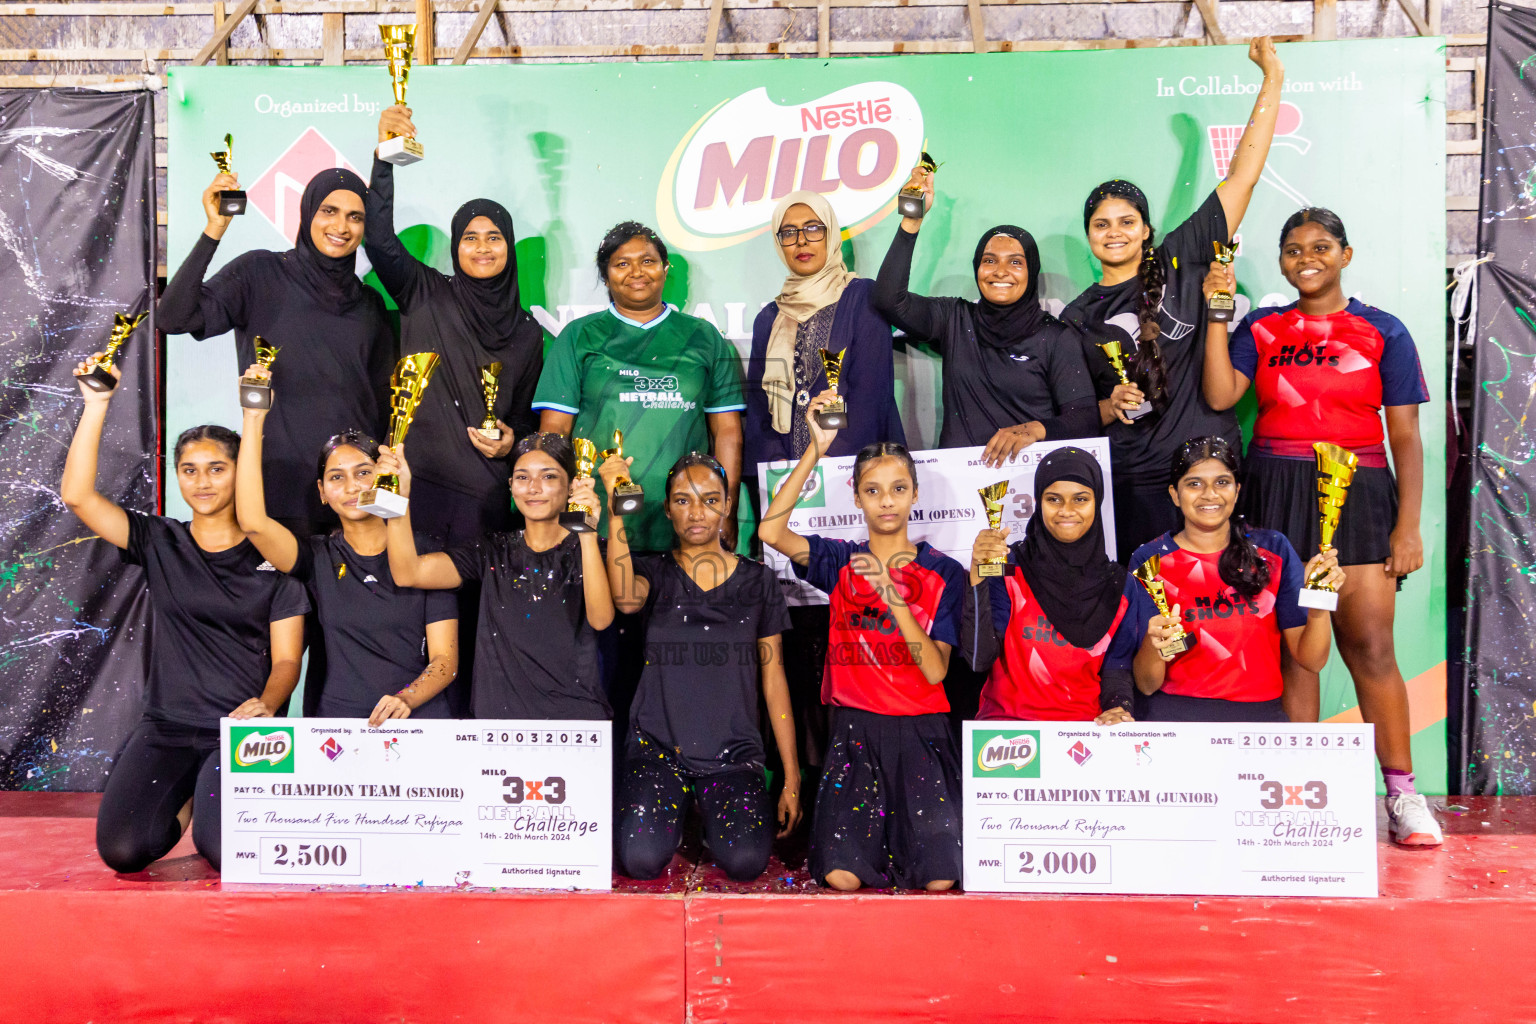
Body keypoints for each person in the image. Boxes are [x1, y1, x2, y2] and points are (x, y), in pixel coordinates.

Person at [1200, 207, 1440, 846]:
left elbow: (1408, 438)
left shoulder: (1383, 331)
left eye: (1322, 246)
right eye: (1294, 249)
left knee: (1370, 647)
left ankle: (1403, 796)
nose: (1307, 257)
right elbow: (1223, 395)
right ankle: (1298, 795)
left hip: (1360, 491)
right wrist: (1219, 316)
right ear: (1280, 260)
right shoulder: (1263, 326)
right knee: (1291, 650)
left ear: (1346, 254)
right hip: (1277, 490)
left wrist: (1408, 528)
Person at [63, 358, 307, 873]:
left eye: (217, 468)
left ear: (240, 472)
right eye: (189, 470)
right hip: (168, 725)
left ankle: (211, 795)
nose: (202, 482)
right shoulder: (160, 540)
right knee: (123, 852)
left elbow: (287, 661)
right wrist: (96, 404)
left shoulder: (277, 556)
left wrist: (265, 705)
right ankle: (194, 793)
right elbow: (77, 496)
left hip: (244, 732)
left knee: (225, 853)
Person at [1064, 37, 1286, 559]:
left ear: (1146, 230)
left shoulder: (1179, 260)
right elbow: (1076, 415)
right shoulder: (1077, 317)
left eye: (1126, 222)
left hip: (1209, 475)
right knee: (1152, 621)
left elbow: (1243, 178)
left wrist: (1271, 79)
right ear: (1089, 236)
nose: (1114, 233)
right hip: (1133, 483)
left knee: (1221, 611)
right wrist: (1109, 404)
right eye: (1101, 224)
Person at [759, 395, 967, 892]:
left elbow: (937, 672)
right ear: (857, 498)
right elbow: (770, 530)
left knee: (941, 880)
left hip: (922, 735)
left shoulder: (944, 572)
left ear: (915, 494)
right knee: (842, 877)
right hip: (855, 735)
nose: (887, 500)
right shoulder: (840, 560)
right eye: (873, 490)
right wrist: (815, 449)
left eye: (898, 488)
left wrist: (894, 598)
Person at [743, 190, 905, 788]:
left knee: (859, 633)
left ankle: (868, 783)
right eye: (789, 233)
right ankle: (807, 788)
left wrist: (845, 484)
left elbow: (872, 398)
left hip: (853, 501)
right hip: (790, 502)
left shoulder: (864, 298)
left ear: (833, 234)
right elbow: (764, 414)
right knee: (800, 645)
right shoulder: (769, 316)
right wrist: (766, 495)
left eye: (813, 229)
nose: (802, 241)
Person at [158, 166, 394, 536]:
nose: (341, 226)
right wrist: (214, 230)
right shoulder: (262, 273)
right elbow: (173, 317)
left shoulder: (371, 305)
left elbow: (384, 406)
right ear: (307, 213)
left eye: (355, 216)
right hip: (278, 493)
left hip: (352, 499)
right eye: (328, 211)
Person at [602, 451, 800, 882]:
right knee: (639, 859)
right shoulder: (652, 572)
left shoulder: (758, 580)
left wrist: (791, 776)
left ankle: (707, 822)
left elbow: (773, 678)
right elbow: (624, 599)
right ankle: (677, 821)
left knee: (746, 862)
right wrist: (615, 513)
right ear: (668, 508)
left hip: (733, 756)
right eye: (682, 500)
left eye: (710, 500)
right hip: (658, 752)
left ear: (728, 506)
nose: (697, 513)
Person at [364, 104, 545, 545]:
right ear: (456, 246)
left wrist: (509, 443)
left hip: (482, 499)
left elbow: (521, 419)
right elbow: (379, 241)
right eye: (470, 237)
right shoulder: (425, 290)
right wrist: (383, 161)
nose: (482, 248)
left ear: (509, 247)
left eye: (494, 237)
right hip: (412, 486)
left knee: (471, 609)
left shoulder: (527, 332)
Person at [233, 370, 458, 723]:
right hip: (335, 732)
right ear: (322, 493)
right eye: (336, 477)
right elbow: (251, 523)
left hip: (417, 724)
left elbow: (445, 660)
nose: (352, 487)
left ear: (383, 478)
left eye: (364, 472)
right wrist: (253, 416)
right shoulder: (314, 557)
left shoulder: (426, 555)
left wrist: (407, 699)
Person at [535, 221, 746, 553]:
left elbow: (728, 432)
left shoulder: (704, 337)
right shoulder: (579, 337)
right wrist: (554, 507)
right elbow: (554, 432)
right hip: (600, 517)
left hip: (690, 518)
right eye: (622, 263)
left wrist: (726, 510)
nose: (637, 272)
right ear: (606, 276)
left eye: (647, 260)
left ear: (665, 268)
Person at [375, 434, 614, 721]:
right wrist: (400, 499)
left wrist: (586, 533)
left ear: (572, 485)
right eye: (522, 477)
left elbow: (601, 620)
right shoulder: (491, 551)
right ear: (511, 486)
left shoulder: (595, 551)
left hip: (575, 725)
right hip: (497, 725)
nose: (534, 488)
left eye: (548, 476)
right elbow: (408, 573)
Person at [872, 183, 1097, 468]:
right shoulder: (954, 317)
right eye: (989, 261)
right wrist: (912, 220)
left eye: (1015, 262)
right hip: (957, 493)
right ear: (977, 267)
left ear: (1032, 271)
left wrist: (1036, 429)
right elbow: (888, 299)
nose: (1000, 271)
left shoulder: (1055, 337)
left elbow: (1085, 419)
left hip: (1029, 486)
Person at [1128, 437, 1341, 724]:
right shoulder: (1150, 560)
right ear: (1175, 494)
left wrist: (1319, 606)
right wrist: (1156, 646)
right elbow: (1146, 683)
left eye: (1222, 482)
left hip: (1259, 721)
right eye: (1194, 484)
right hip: (1175, 722)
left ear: (1237, 490)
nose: (1209, 494)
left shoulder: (1273, 551)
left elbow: (1311, 660)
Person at [962, 447, 1137, 723]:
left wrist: (1120, 707)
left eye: (1080, 499)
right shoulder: (1009, 568)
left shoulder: (1121, 584)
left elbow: (1117, 668)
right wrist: (977, 577)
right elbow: (978, 660)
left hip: (1084, 734)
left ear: (1097, 502)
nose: (1066, 511)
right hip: (1007, 732)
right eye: (1054, 499)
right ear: (1037, 502)